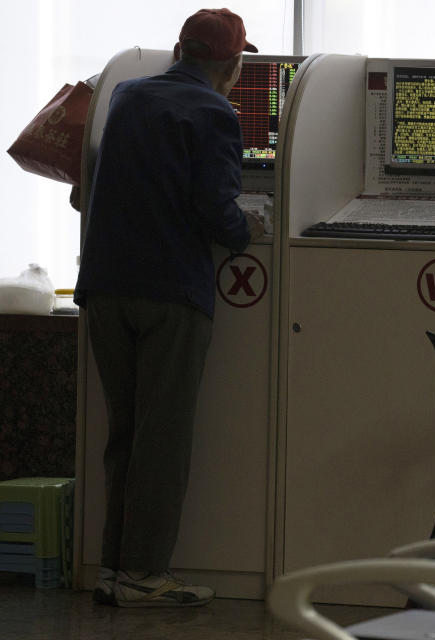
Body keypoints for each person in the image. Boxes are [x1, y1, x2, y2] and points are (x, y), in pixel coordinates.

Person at [74, 8, 263, 607]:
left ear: (178, 48)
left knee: (124, 437)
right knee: (163, 440)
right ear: (233, 64)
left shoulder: (127, 95)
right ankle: (145, 574)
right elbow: (214, 208)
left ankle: (112, 568)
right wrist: (246, 229)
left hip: (105, 288)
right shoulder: (215, 113)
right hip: (169, 293)